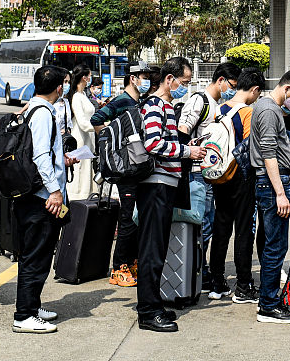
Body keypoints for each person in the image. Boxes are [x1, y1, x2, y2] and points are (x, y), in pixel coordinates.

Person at [135, 56, 207, 333]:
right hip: (156, 185)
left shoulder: (163, 105)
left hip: (165, 183)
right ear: (169, 79)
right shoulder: (155, 106)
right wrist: (188, 151)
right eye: (184, 82)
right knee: (152, 249)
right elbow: (153, 143)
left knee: (158, 247)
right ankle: (147, 312)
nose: (185, 88)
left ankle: (152, 304)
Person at [250, 68, 290, 324]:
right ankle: (268, 305)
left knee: (274, 244)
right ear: (287, 89)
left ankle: (269, 298)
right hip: (272, 185)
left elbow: (273, 146)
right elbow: (267, 153)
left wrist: (289, 146)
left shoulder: (271, 109)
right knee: (275, 246)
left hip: (274, 182)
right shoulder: (268, 110)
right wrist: (279, 193)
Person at [12, 65, 69, 334]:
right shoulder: (44, 113)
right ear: (58, 87)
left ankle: (32, 307)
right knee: (35, 256)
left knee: (38, 254)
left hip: (32, 193)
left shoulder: (30, 108)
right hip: (41, 197)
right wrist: (54, 191)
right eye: (64, 84)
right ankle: (23, 315)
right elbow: (41, 156)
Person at [177, 61, 240, 297]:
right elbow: (183, 132)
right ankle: (196, 270)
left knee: (209, 224)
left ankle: (200, 271)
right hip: (196, 173)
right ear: (221, 80)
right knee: (201, 224)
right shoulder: (199, 101)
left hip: (210, 174)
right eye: (231, 85)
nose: (232, 90)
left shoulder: (217, 104)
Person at [93, 61, 150, 288]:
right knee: (126, 219)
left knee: (136, 218)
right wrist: (110, 143)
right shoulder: (121, 101)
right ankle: (118, 268)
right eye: (142, 76)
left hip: (139, 167)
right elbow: (96, 120)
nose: (146, 81)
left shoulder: (140, 102)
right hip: (125, 169)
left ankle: (131, 261)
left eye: (148, 77)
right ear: (132, 78)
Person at [208, 68, 264, 302]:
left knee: (221, 228)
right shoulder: (248, 112)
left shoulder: (219, 109)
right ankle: (243, 285)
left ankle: (217, 282)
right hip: (241, 178)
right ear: (254, 90)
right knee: (243, 231)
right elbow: (251, 148)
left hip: (221, 175)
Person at [66, 66, 99, 201]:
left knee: (87, 170)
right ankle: (76, 201)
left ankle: (86, 200)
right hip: (80, 139)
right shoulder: (76, 97)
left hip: (88, 139)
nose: (91, 79)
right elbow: (83, 123)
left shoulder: (84, 95)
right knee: (80, 172)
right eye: (90, 76)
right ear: (84, 78)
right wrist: (101, 127)